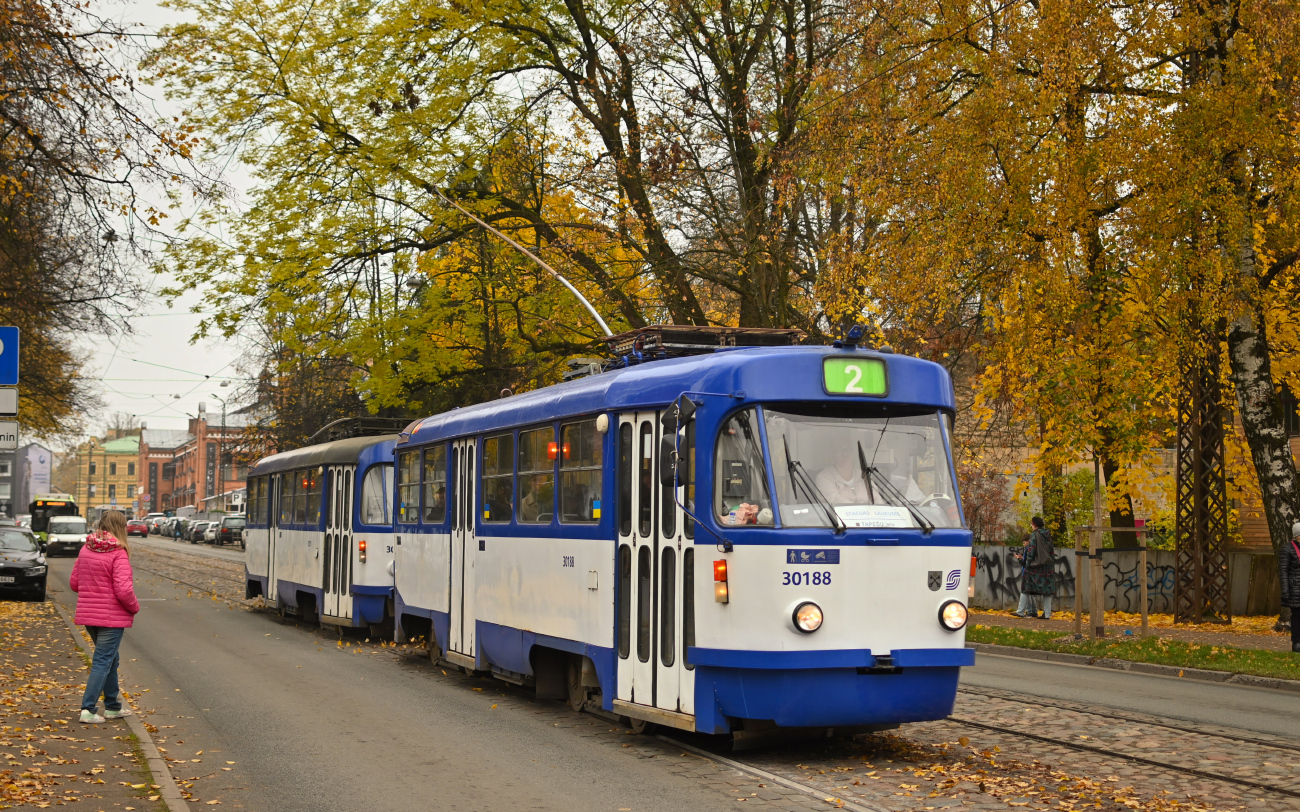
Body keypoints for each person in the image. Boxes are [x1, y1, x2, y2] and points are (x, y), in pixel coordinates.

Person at [69, 510, 140, 724]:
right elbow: (124, 591)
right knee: (103, 661)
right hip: (111, 618)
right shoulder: (119, 553)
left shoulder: (85, 549)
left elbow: (74, 583)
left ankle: (112, 706)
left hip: (89, 616)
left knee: (110, 659)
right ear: (121, 527)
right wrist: (134, 607)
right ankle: (88, 709)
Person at [1014, 516, 1056, 619]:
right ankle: (1047, 614)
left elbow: (1031, 551)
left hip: (1035, 567)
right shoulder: (1048, 535)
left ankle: (1020, 611)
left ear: (1034, 525)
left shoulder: (1034, 535)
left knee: (1026, 587)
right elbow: (1051, 551)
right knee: (1047, 590)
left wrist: (1027, 563)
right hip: (1047, 566)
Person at [1283, 521, 1300, 653]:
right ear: (1297, 536)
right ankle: (1297, 643)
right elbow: (1283, 571)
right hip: (1295, 590)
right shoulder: (1288, 549)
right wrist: (1285, 591)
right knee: (1297, 616)